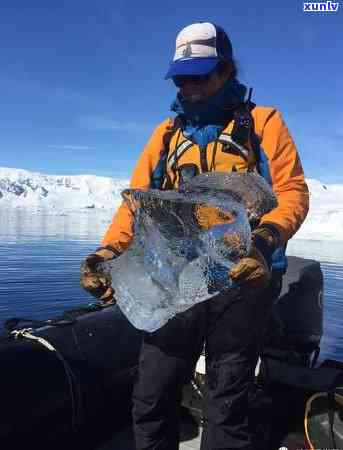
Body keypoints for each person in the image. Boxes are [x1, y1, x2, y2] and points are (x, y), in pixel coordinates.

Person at [80, 22, 309, 450]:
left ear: (225, 71)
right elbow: (137, 207)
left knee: (226, 398)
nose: (190, 87)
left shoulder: (264, 123)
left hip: (246, 276)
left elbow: (292, 192)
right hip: (177, 278)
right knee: (152, 392)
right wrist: (107, 253)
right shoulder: (166, 135)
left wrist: (263, 244)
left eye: (200, 75)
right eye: (182, 78)